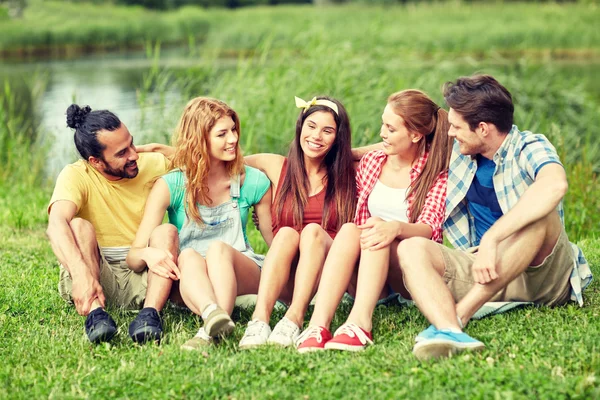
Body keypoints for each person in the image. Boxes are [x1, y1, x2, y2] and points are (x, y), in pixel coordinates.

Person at [395, 74, 593, 361]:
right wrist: (340, 153)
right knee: (410, 247)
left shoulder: (530, 146)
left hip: (544, 274)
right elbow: (401, 147)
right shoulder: (461, 152)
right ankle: (450, 330)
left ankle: (461, 315)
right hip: (487, 271)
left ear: (484, 129)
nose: (450, 133)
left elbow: (554, 185)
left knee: (540, 214)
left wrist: (493, 238)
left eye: (457, 127)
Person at [295, 89, 452, 352]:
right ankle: (317, 326)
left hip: (405, 273)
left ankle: (359, 323)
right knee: (349, 229)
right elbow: (343, 156)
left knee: (376, 227)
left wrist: (396, 228)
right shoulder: (372, 162)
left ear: (415, 134)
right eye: (383, 124)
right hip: (366, 273)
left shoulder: (436, 173)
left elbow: (429, 229)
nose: (382, 133)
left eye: (390, 129)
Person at [127, 97, 274, 350]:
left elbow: (275, 244)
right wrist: (149, 253)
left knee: (217, 250)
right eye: (222, 134)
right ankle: (213, 314)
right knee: (188, 256)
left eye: (233, 130)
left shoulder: (253, 181)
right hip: (194, 278)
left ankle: (207, 334)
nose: (233, 139)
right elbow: (133, 256)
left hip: (240, 267)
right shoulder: (171, 185)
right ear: (200, 140)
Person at [46, 104, 177, 344]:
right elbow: (56, 224)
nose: (134, 155)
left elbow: (203, 160)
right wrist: (81, 275)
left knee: (166, 231)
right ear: (95, 161)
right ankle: (97, 315)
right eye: (121, 153)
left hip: (143, 272)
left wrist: (154, 148)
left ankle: (150, 315)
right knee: (78, 226)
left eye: (132, 144)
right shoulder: (76, 175)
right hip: (95, 272)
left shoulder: (150, 162)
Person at [238, 96, 357, 349]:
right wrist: (161, 151)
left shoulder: (349, 172)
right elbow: (219, 160)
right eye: (311, 126)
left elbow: (391, 146)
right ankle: (259, 320)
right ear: (300, 126)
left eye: (328, 131)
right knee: (286, 234)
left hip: (327, 278)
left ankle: (294, 319)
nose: (316, 136)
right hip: (285, 276)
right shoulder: (276, 165)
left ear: (338, 137)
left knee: (313, 231)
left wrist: (350, 153)